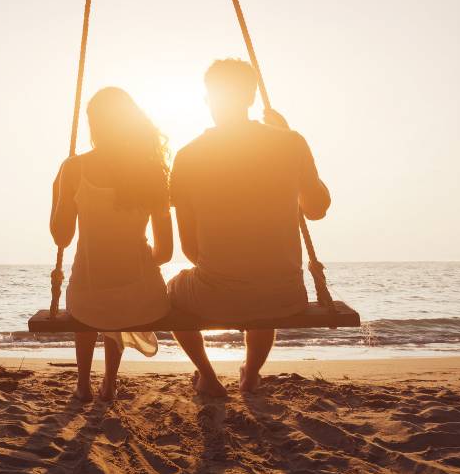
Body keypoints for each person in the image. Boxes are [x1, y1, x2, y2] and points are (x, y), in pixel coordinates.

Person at [168, 58, 331, 397]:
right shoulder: (291, 143)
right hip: (285, 296)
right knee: (263, 286)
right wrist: (287, 137)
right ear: (252, 96)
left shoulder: (188, 156)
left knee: (171, 295)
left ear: (208, 99)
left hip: (217, 295)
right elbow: (316, 209)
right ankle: (250, 374)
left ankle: (208, 377)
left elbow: (190, 251)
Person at [50, 87, 173, 402]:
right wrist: (138, 263)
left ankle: (82, 385)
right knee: (117, 291)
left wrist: (58, 192)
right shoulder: (152, 171)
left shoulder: (73, 169)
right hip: (143, 297)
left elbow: (61, 237)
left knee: (92, 293)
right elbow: (166, 252)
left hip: (88, 297)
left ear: (94, 124)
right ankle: (110, 382)